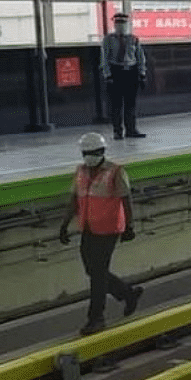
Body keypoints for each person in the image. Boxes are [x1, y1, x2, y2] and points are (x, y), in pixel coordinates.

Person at [59, 132, 143, 335]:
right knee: (93, 270)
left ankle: (96, 318)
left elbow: (126, 200)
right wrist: (65, 224)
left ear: (102, 151)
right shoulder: (80, 171)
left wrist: (129, 226)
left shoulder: (115, 171)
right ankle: (127, 293)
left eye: (93, 152)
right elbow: (74, 199)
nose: (89, 156)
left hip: (108, 230)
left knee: (97, 275)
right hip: (87, 228)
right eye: (86, 152)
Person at [100, 12, 147, 139]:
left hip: (131, 71)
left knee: (130, 103)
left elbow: (140, 57)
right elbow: (104, 58)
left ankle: (131, 129)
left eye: (123, 22)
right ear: (114, 24)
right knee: (116, 104)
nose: (121, 25)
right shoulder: (108, 39)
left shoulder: (133, 39)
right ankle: (117, 131)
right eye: (118, 22)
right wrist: (107, 75)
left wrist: (142, 73)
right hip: (116, 71)